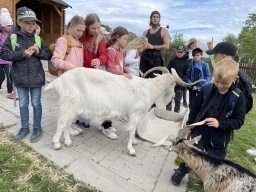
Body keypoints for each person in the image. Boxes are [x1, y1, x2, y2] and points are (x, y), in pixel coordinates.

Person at [170, 58, 246, 186]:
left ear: (235, 78)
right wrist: (190, 126)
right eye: (217, 81)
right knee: (191, 153)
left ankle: (208, 177)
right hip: (200, 131)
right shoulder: (206, 89)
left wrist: (220, 124)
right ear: (213, 75)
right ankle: (182, 170)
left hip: (219, 139)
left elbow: (238, 121)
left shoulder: (238, 97)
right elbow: (195, 109)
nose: (220, 85)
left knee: (213, 162)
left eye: (224, 83)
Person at [0, 7, 52, 142]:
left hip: (36, 78)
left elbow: (48, 55)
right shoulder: (12, 38)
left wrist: (38, 51)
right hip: (19, 77)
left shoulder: (38, 38)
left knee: (36, 103)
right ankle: (24, 127)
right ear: (19, 22)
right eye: (28, 22)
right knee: (23, 103)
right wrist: (23, 54)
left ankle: (37, 128)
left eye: (33, 23)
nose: (31, 25)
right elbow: (4, 53)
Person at [51, 15, 85, 136]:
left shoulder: (79, 44)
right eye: (78, 30)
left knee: (74, 103)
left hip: (76, 81)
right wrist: (71, 67)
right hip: (66, 79)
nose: (80, 33)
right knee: (66, 104)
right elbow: (55, 60)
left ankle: (71, 123)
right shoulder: (63, 40)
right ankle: (65, 126)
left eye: (82, 31)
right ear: (70, 27)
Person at [101, 26, 131, 139]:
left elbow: (121, 66)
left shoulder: (121, 51)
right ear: (118, 38)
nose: (126, 41)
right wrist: (123, 75)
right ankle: (106, 128)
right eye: (125, 38)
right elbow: (111, 69)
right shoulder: (111, 51)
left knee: (114, 105)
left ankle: (105, 124)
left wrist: (126, 71)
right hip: (110, 84)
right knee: (109, 106)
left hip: (118, 84)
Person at [140, 10, 169, 78]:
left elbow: (167, 46)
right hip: (144, 59)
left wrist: (153, 47)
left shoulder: (163, 30)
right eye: (154, 17)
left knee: (155, 81)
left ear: (159, 19)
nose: (155, 18)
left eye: (157, 17)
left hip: (156, 60)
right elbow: (141, 46)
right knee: (143, 80)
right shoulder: (145, 32)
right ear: (151, 18)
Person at [166, 44, 189, 113]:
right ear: (176, 52)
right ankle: (167, 112)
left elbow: (186, 75)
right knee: (169, 99)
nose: (179, 53)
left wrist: (179, 81)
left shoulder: (186, 62)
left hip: (179, 85)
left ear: (184, 53)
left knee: (178, 99)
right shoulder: (172, 61)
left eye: (181, 52)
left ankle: (176, 113)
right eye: (178, 52)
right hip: (171, 84)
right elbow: (168, 71)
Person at [0, 8, 15, 99]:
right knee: (1, 76)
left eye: (10, 25)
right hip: (0, 59)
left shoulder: (12, 35)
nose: (9, 27)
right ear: (2, 26)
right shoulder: (1, 35)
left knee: (10, 75)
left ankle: (10, 91)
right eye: (7, 26)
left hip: (7, 59)